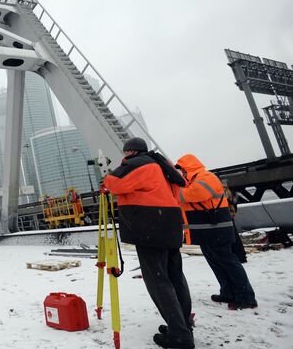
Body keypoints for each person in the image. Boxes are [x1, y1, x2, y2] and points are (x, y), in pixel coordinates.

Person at [104, 138, 194, 349]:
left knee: (158, 280)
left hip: (150, 226)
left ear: (130, 152)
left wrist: (106, 176)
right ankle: (182, 324)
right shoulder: (163, 164)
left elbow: (115, 183)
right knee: (175, 276)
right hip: (170, 224)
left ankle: (179, 335)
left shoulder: (136, 163)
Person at [175, 154, 257, 310]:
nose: (181, 173)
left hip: (217, 229)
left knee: (229, 262)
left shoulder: (206, 177)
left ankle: (246, 297)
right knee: (216, 262)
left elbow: (193, 194)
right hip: (207, 231)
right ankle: (228, 292)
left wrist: (175, 188)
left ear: (188, 168)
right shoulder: (192, 181)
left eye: (182, 170)